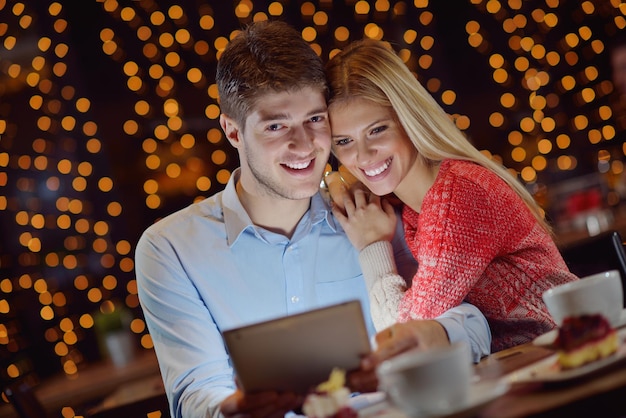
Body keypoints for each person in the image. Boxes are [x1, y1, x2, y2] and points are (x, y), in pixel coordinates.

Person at [135, 21, 491, 418]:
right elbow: (194, 396)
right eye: (276, 126)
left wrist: (435, 333)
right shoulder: (170, 249)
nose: (304, 145)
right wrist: (235, 409)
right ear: (233, 132)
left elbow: (474, 322)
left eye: (315, 120)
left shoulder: (372, 213)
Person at [325, 38, 579, 355]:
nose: (363, 155)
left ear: (409, 119)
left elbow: (405, 339)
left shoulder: (458, 197)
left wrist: (372, 245)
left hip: (575, 359)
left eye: (377, 130)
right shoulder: (412, 205)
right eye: (345, 141)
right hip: (527, 367)